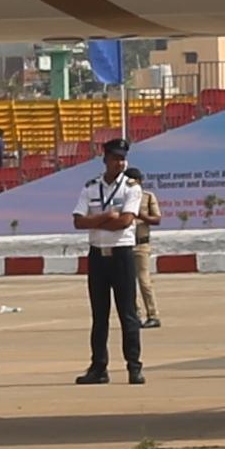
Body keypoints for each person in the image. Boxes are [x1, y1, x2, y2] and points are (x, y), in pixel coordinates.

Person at [70, 135, 155, 387]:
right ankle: (99, 367)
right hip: (98, 255)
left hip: (122, 254)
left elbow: (126, 221)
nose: (120, 163)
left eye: (123, 159)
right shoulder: (90, 187)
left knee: (128, 313)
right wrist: (107, 215)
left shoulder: (132, 187)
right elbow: (77, 221)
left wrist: (96, 221)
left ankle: (134, 367)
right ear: (105, 159)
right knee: (99, 315)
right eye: (115, 158)